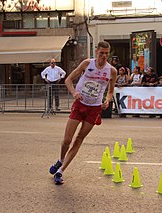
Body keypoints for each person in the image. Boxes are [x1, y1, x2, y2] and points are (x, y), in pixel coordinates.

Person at [48, 41, 117, 184]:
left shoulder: (112, 71)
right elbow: (68, 80)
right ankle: (60, 160)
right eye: (101, 52)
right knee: (67, 140)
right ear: (96, 51)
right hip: (80, 105)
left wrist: (107, 100)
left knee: (79, 139)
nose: (104, 56)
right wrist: (74, 92)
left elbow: (110, 91)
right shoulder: (87, 64)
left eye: (106, 53)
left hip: (94, 108)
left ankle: (60, 172)